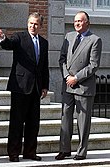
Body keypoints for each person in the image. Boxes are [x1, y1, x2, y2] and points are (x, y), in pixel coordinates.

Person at [0, 12, 49, 162]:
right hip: (20, 86)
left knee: (33, 123)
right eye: (31, 23)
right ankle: (13, 153)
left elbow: (44, 66)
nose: (33, 26)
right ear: (27, 23)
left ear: (41, 26)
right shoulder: (19, 37)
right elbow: (8, 44)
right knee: (17, 122)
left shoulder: (44, 43)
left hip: (36, 88)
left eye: (36, 24)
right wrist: (2, 37)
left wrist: (45, 85)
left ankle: (30, 152)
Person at [55, 11, 102, 161]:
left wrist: (76, 78)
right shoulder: (68, 37)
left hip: (83, 86)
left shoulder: (95, 40)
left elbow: (93, 65)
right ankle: (64, 149)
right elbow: (62, 59)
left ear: (87, 22)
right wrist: (67, 76)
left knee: (83, 122)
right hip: (68, 84)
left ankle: (81, 151)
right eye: (75, 21)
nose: (77, 23)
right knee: (65, 119)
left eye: (80, 21)